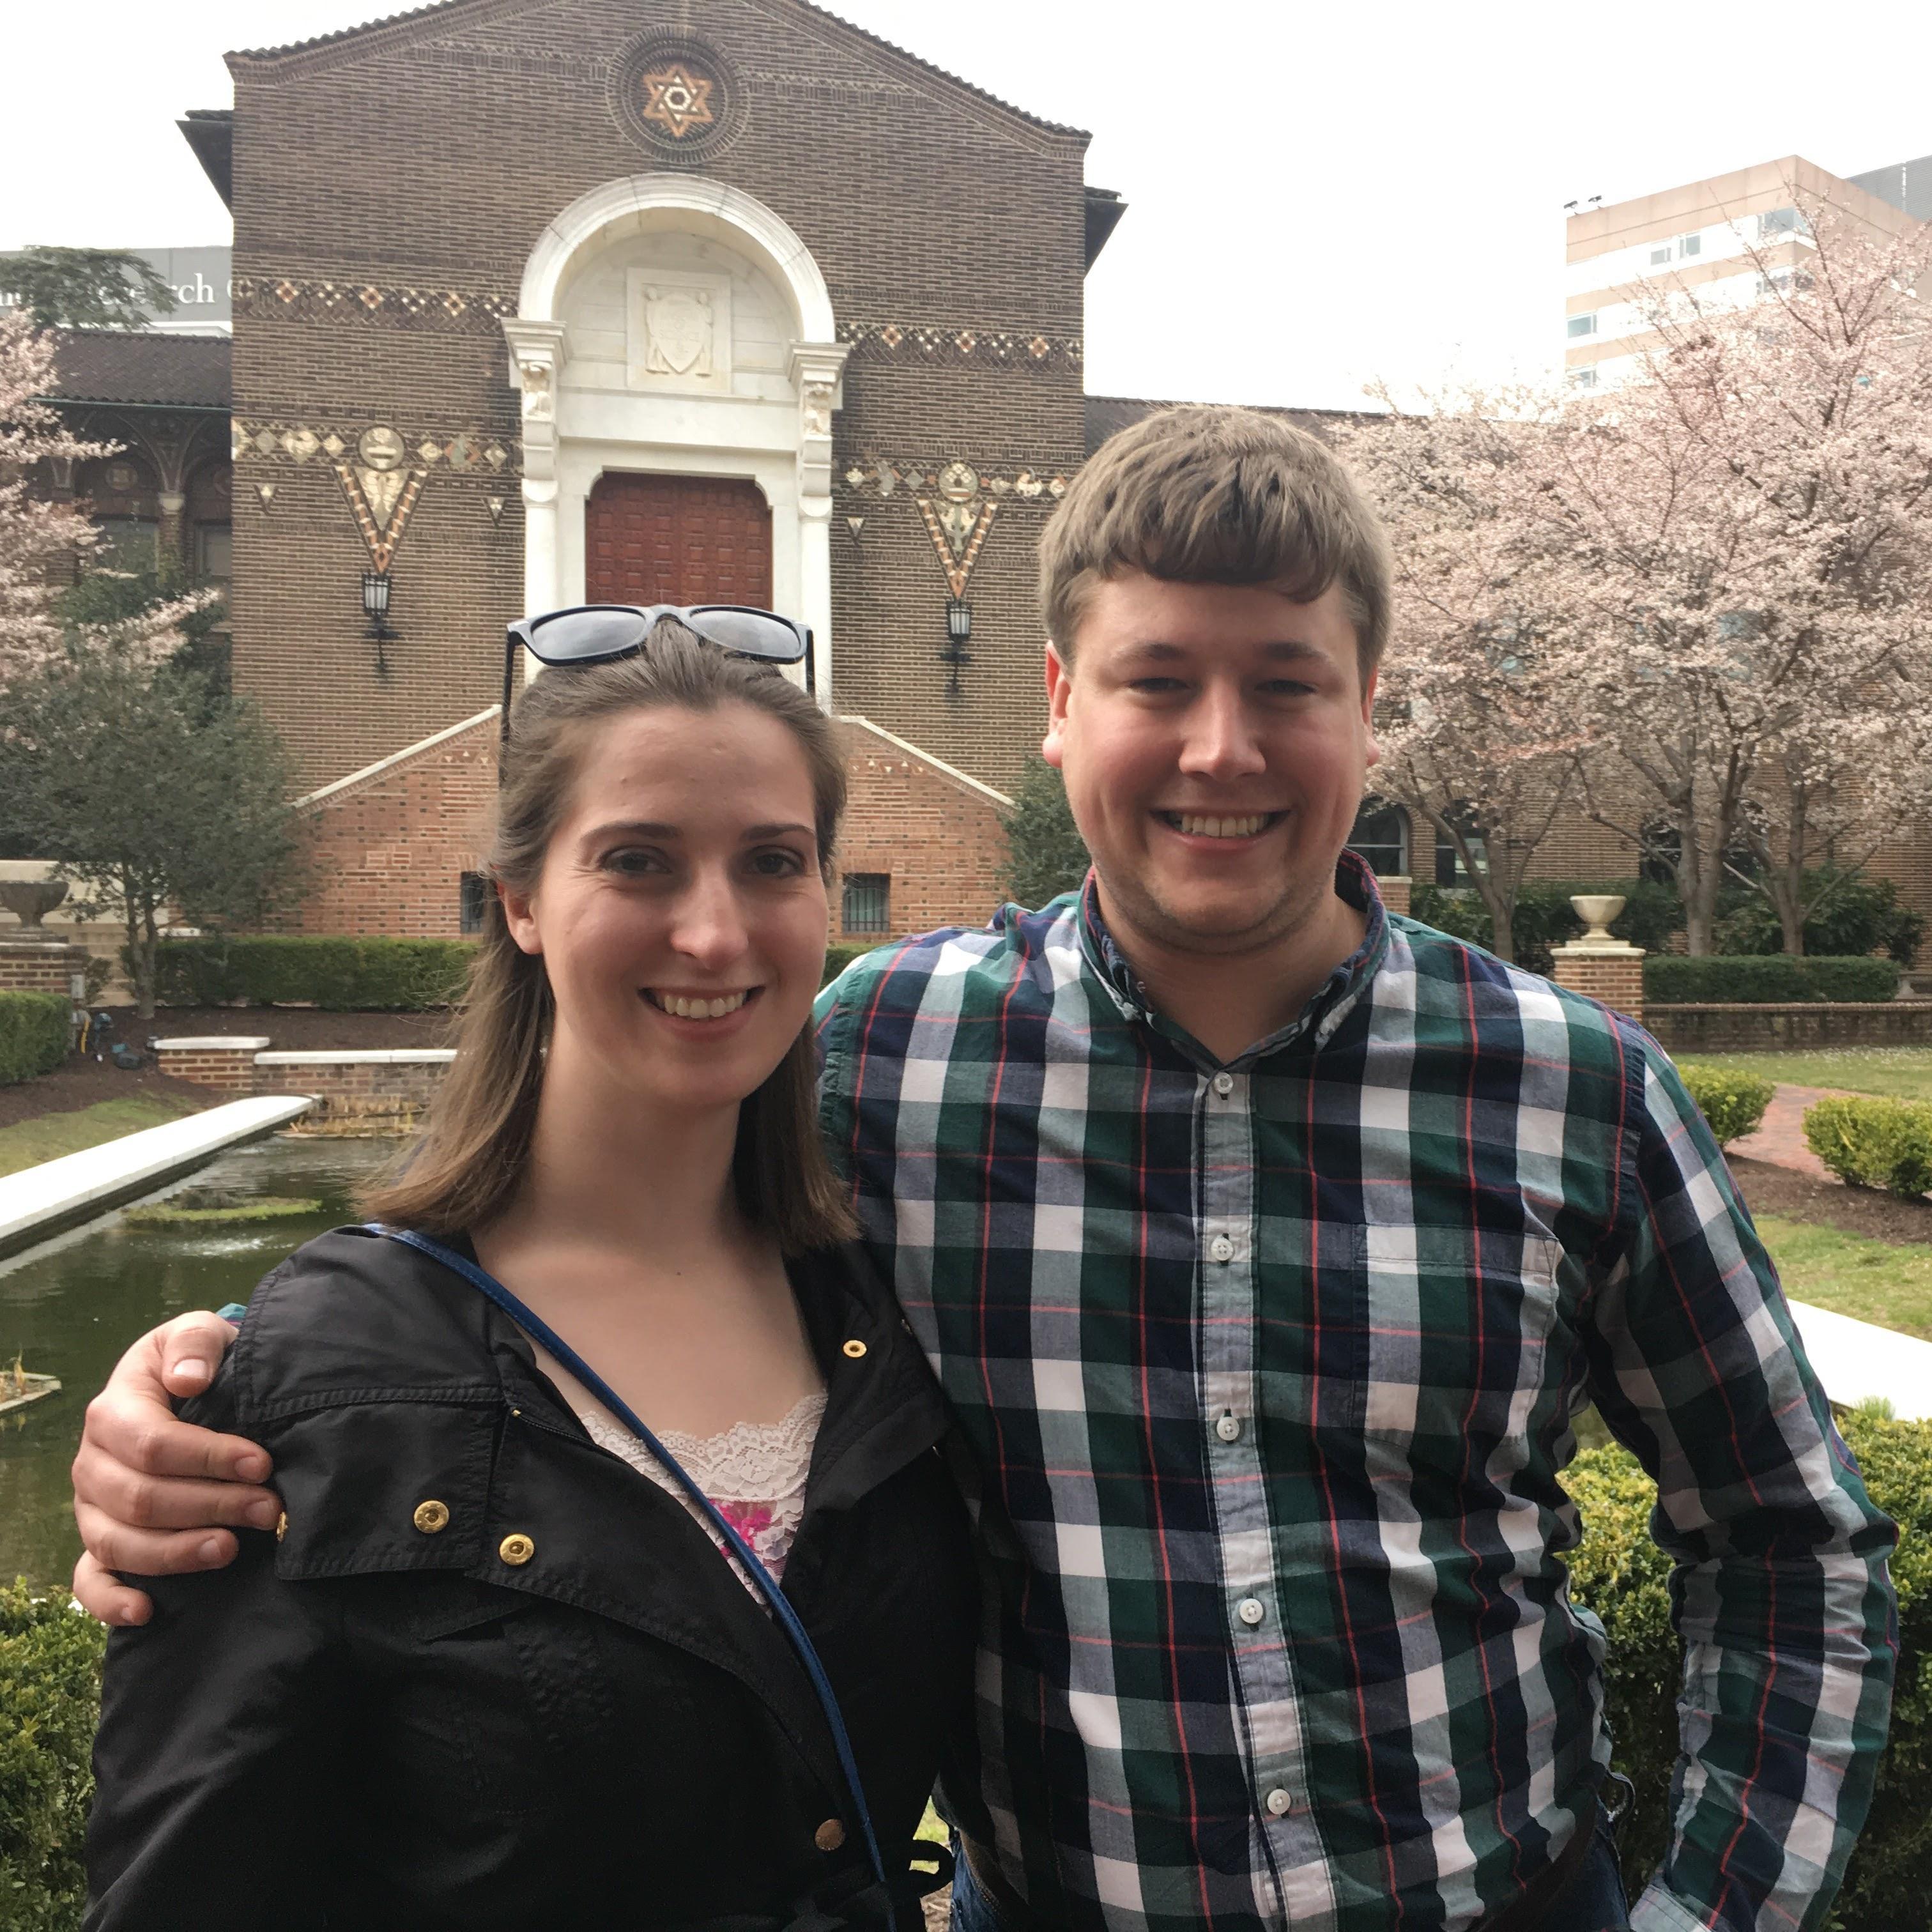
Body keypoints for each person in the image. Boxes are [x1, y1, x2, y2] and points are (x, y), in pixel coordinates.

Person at [75, 408, 1895, 1932]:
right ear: (1055, 697)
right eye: (1157, 680)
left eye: (1287, 684)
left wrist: (1713, 1915)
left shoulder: (1575, 1088)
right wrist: (230, 1392)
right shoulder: (881, 1055)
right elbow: (558, 1256)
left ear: (1369, 704)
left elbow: (1791, 1539)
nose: (1219, 749)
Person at [81, 620, 975, 1929]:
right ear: (518, 897)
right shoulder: (310, 1383)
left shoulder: (878, 1304)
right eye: (638, 862)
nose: (717, 934)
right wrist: (230, 1369)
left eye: (772, 862)